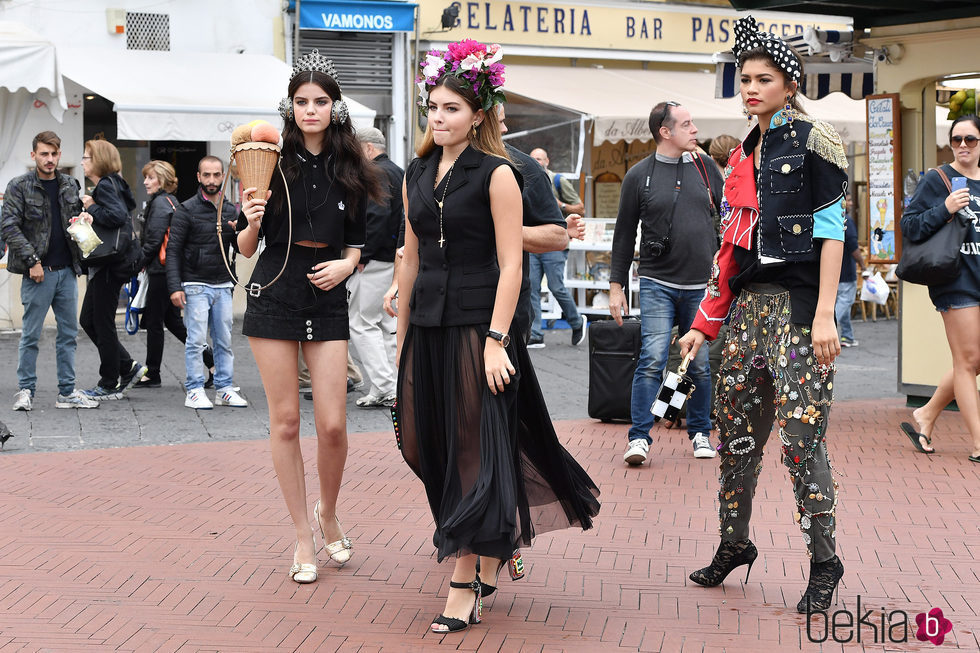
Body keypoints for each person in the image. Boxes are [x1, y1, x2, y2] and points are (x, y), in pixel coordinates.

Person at [398, 39, 599, 634]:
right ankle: (488, 539)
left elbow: (513, 265)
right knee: (421, 442)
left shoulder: (499, 174)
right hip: (428, 324)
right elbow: (409, 256)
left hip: (477, 325)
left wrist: (494, 340)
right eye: (433, 107)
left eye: (452, 108)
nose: (439, 117)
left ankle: (465, 580)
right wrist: (402, 330)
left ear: (477, 115)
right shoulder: (416, 171)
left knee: (471, 447)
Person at [677, 15, 847, 613]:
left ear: (789, 85)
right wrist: (704, 323)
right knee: (736, 440)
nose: (750, 88)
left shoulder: (816, 140)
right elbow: (731, 249)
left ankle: (826, 562)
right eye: (745, 79)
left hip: (801, 310)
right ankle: (735, 543)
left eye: (763, 79)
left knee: (802, 439)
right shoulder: (743, 152)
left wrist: (826, 313)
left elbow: (832, 234)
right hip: (748, 312)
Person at [238, 50, 381, 584]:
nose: (310, 110)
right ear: (289, 106)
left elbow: (358, 246)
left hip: (327, 294)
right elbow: (247, 245)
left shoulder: (352, 169)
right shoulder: (267, 160)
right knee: (285, 421)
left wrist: (346, 266)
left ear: (335, 107)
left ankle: (328, 510)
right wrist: (250, 219)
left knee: (334, 425)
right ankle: (303, 536)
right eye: (301, 102)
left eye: (320, 101)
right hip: (274, 288)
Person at [611, 101, 724, 465]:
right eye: (687, 124)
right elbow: (625, 234)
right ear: (665, 131)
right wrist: (616, 287)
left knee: (699, 364)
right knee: (652, 360)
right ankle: (639, 438)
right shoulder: (638, 176)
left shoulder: (707, 168)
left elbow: (728, 217)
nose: (695, 130)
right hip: (657, 282)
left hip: (700, 287)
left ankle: (700, 434)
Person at [899, 114, 980, 461]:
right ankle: (979, 442)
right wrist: (945, 209)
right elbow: (909, 225)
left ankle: (926, 413)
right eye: (956, 139)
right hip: (955, 279)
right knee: (968, 360)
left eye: (971, 139)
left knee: (974, 361)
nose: (962, 145)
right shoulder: (939, 179)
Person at [0, 131, 98, 410]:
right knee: (31, 335)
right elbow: (9, 226)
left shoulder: (70, 184)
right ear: (34, 156)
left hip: (67, 271)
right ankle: (25, 390)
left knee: (68, 334)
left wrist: (85, 217)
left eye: (54, 154)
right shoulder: (19, 186)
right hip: (37, 273)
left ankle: (67, 392)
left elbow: (74, 220)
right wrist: (33, 262)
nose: (50, 159)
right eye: (44, 154)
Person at [166, 156, 243, 410]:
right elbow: (174, 250)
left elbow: (239, 249)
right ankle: (195, 389)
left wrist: (240, 231)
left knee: (224, 340)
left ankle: (224, 388)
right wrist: (175, 287)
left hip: (223, 284)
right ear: (198, 177)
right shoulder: (186, 209)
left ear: (223, 176)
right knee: (196, 340)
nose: (212, 180)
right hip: (195, 284)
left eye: (216, 175)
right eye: (206, 175)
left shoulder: (230, 209)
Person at [134, 160, 214, 388]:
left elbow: (153, 240)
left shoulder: (160, 203)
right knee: (172, 322)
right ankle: (212, 362)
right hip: (168, 269)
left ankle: (153, 372)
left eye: (150, 177)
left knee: (154, 322)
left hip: (161, 270)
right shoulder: (171, 201)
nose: (146, 182)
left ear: (161, 179)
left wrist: (137, 264)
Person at [78, 139, 148, 401]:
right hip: (108, 263)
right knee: (89, 320)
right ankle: (127, 366)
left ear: (98, 160)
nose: (83, 161)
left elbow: (117, 216)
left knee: (102, 323)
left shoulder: (106, 185)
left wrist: (91, 207)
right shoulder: (113, 184)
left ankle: (109, 382)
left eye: (87, 157)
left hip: (109, 263)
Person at [348, 127, 402, 408]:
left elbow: (376, 216)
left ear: (367, 148)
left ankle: (384, 386)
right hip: (392, 258)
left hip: (374, 259)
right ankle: (391, 385)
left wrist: (361, 255)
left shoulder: (375, 173)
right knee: (385, 324)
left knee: (361, 323)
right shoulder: (397, 170)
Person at [525, 147, 585, 348]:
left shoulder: (558, 180)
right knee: (531, 287)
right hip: (534, 239)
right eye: (533, 159)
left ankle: (577, 322)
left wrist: (561, 206)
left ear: (547, 161)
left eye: (540, 159)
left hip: (554, 241)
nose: (537, 162)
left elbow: (580, 207)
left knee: (555, 286)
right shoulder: (527, 178)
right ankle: (536, 333)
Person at [835, 195, 866, 348]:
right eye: (848, 199)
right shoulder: (848, 221)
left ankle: (847, 336)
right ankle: (830, 328)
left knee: (842, 304)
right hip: (846, 271)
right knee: (845, 302)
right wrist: (863, 264)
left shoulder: (832, 220)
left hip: (833, 272)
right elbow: (853, 246)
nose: (851, 203)